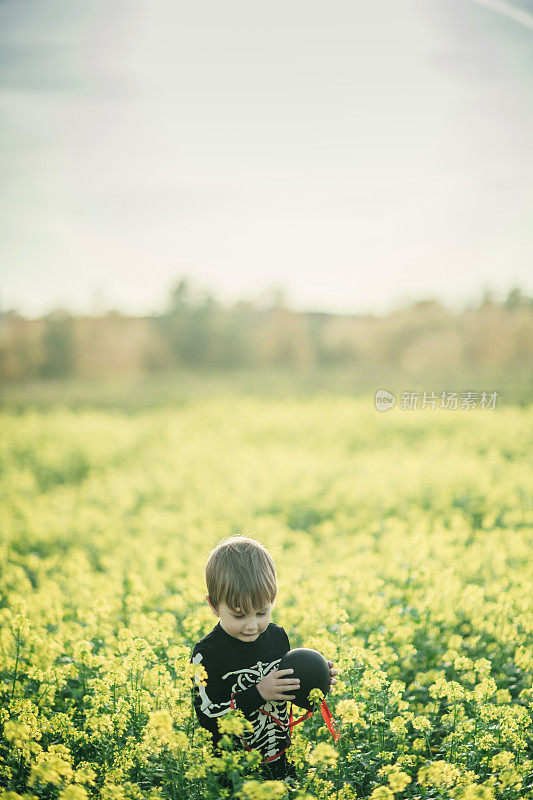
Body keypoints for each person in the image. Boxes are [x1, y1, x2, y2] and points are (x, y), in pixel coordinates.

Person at [189, 536, 338, 788]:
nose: (252, 625)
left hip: (280, 760)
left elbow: (287, 692)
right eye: (238, 615)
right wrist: (258, 693)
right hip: (233, 772)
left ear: (273, 599)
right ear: (214, 606)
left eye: (262, 613)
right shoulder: (205, 654)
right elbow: (206, 716)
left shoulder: (278, 637)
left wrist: (314, 685)